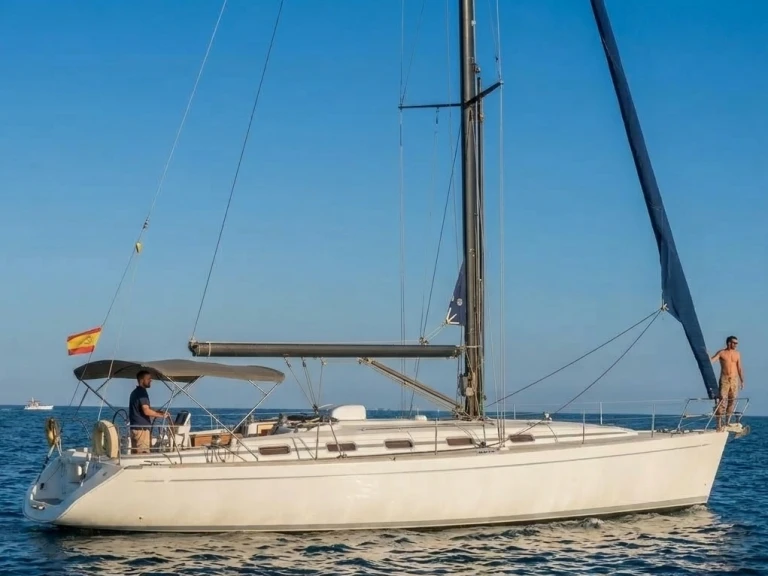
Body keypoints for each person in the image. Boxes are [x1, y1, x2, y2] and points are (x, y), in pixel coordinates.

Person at [129, 370, 171, 454]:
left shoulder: (135, 392)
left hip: (135, 428)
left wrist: (159, 412)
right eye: (148, 379)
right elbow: (146, 411)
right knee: (143, 454)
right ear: (141, 380)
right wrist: (162, 416)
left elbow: (142, 409)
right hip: (142, 430)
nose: (151, 380)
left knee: (136, 453)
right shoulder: (142, 393)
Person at [710, 336, 744, 431]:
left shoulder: (737, 354)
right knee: (722, 401)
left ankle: (728, 422)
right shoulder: (722, 353)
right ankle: (719, 424)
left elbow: (739, 368)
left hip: (734, 379)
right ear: (729, 343)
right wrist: (707, 356)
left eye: (737, 343)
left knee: (732, 401)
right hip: (724, 379)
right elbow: (712, 360)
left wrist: (742, 380)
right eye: (735, 343)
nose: (736, 345)